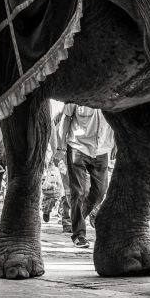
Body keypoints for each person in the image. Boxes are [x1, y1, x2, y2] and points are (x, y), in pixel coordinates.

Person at [57, 103, 114, 248]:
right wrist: (60, 147)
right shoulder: (76, 95)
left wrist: (115, 144)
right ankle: (79, 235)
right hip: (77, 147)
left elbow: (116, 121)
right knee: (78, 193)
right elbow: (65, 119)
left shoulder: (110, 94)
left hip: (102, 150)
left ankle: (78, 218)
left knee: (100, 192)